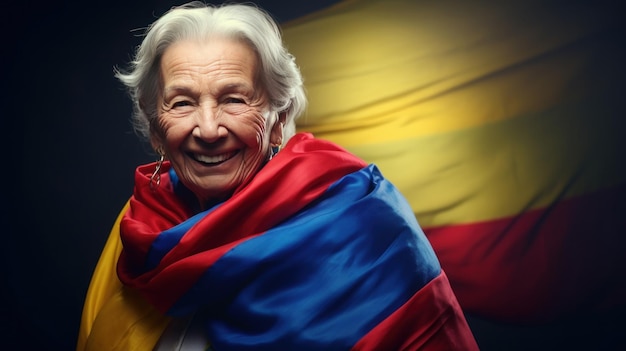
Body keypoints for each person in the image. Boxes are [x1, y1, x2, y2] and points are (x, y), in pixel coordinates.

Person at [77, 2, 479, 350]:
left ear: (278, 118)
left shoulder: (364, 221)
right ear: (155, 128)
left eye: (234, 99)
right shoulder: (141, 226)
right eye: (181, 103)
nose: (209, 129)